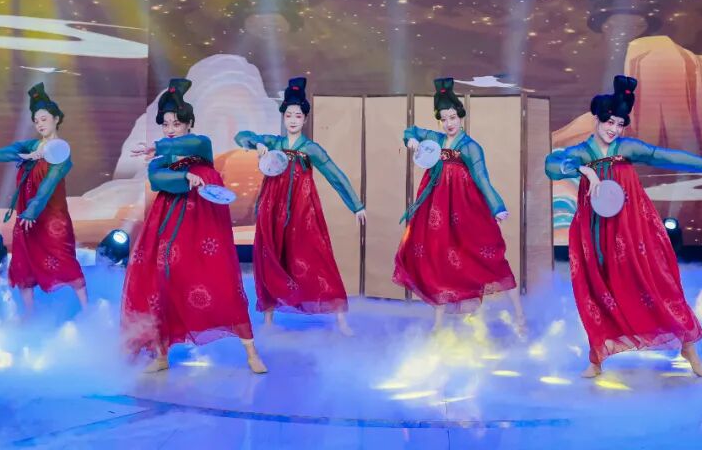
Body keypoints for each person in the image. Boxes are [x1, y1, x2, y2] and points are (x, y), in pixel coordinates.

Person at [545, 75, 702, 378]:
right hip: (597, 233)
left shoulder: (627, 147)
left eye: (619, 124)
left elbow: (667, 157)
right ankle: (597, 357)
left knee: (656, 283)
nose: (613, 129)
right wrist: (585, 172)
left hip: (633, 231)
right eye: (609, 122)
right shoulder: (582, 152)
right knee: (598, 291)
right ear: (597, 119)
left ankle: (688, 347)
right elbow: (551, 165)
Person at [121, 78, 266, 374]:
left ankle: (251, 351)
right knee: (162, 281)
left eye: (176, 124)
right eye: (166, 124)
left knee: (220, 280)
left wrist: (159, 146)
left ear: (189, 124)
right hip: (168, 224)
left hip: (203, 226)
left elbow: (189, 145)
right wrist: (183, 176)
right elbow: (157, 178)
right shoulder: (160, 159)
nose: (170, 129)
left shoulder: (201, 144)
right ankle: (161, 354)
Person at [394, 77, 526, 335]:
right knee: (439, 259)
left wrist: (497, 206)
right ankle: (438, 323)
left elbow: (482, 177)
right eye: (444, 119)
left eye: (453, 117)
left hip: (465, 210)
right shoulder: (435, 139)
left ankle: (520, 315)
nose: (449, 123)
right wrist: (410, 140)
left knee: (490, 258)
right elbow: (411, 131)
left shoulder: (470, 146)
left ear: (460, 116)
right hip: (437, 210)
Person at [235, 77, 366, 336]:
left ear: (305, 119)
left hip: (302, 210)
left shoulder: (310, 148)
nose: (293, 120)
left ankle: (341, 319)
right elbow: (241, 136)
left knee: (317, 257)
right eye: (289, 115)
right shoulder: (274, 143)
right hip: (272, 209)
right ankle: (268, 320)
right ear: (283, 117)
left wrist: (356, 205)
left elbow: (335, 175)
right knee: (269, 257)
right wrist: (256, 143)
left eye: (298, 116)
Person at [0, 83, 87, 315]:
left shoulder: (61, 151)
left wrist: (31, 211)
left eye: (44, 119)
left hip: (51, 218)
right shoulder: (32, 145)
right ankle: (30, 314)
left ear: (56, 119)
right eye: (36, 121)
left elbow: (48, 185)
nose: (40, 124)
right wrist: (25, 155)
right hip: (26, 218)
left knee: (65, 261)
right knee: (22, 263)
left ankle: (87, 310)